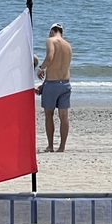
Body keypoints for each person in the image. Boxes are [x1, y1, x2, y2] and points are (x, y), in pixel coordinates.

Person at [37, 23, 72, 152]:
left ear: (52, 31)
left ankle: (50, 146)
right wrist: (44, 84)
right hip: (66, 84)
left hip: (52, 85)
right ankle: (62, 147)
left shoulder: (51, 40)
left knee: (49, 115)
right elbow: (61, 67)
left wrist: (41, 68)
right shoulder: (68, 45)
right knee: (64, 117)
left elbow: (50, 57)